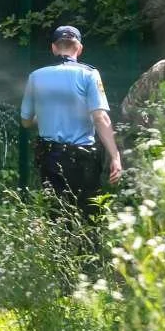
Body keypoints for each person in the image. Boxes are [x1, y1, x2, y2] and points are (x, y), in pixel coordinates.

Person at [20, 25, 123, 221]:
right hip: (82, 159)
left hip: (49, 158)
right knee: (89, 218)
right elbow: (100, 118)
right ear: (79, 48)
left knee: (56, 217)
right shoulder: (89, 74)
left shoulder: (36, 76)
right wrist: (115, 156)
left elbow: (25, 121)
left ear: (53, 48)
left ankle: (57, 250)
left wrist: (44, 117)